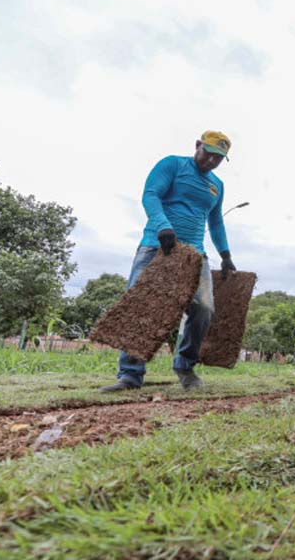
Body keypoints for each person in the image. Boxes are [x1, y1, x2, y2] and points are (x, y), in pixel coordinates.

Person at [100, 131, 237, 393]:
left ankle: (185, 365)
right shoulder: (172, 164)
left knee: (204, 308)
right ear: (197, 145)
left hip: (195, 254)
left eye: (218, 158)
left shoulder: (216, 185)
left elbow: (216, 220)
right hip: (156, 246)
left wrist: (226, 254)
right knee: (140, 306)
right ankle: (130, 375)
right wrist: (162, 225)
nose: (211, 160)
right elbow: (151, 195)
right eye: (208, 152)